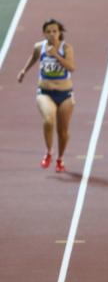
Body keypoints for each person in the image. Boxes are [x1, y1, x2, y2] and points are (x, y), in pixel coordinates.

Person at [17, 19, 76, 173]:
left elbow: (71, 67)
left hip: (65, 94)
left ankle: (60, 159)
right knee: (49, 120)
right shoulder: (39, 46)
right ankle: (49, 152)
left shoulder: (66, 48)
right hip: (45, 92)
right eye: (48, 31)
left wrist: (56, 55)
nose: (51, 34)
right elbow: (33, 57)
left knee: (63, 131)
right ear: (44, 33)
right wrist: (24, 71)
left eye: (54, 31)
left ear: (59, 32)